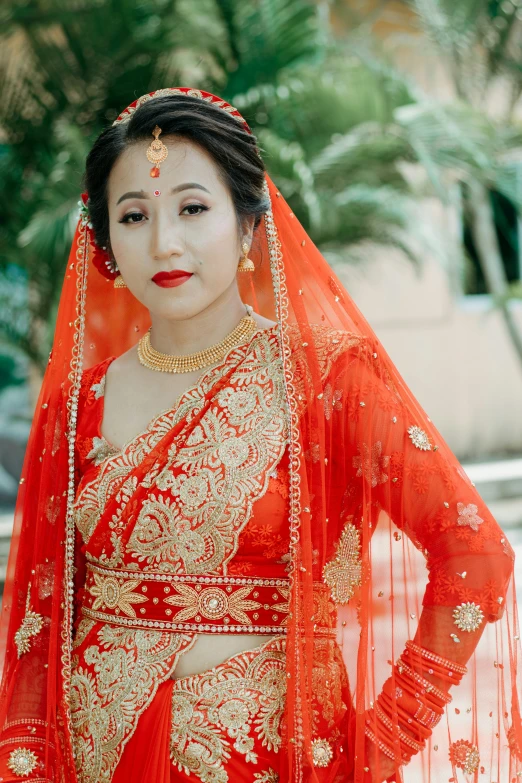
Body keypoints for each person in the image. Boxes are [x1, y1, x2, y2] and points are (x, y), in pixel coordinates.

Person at [0, 86, 519, 783]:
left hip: (271, 759)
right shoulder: (76, 406)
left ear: (248, 224)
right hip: (98, 755)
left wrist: (384, 738)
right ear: (106, 245)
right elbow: (39, 619)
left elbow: (475, 553)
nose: (164, 242)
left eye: (192, 207)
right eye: (133, 215)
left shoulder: (327, 382)